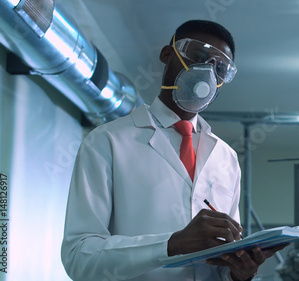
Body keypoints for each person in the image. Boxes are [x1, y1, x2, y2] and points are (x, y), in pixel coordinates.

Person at [61, 19, 287, 281]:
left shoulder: (226, 157)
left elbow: (224, 263)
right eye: (199, 56)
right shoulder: (107, 141)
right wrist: (172, 244)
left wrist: (240, 273)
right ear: (167, 54)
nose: (208, 72)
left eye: (220, 67)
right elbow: (79, 258)